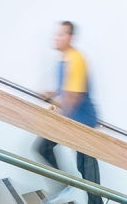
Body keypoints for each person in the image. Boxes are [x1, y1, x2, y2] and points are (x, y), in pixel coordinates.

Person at [35, 21, 102, 204]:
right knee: (82, 165)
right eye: (56, 34)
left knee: (86, 166)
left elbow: (74, 96)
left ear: (70, 38)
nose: (56, 38)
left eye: (61, 35)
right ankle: (68, 187)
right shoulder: (64, 58)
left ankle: (72, 189)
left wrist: (56, 116)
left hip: (82, 121)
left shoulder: (76, 59)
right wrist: (52, 93)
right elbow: (67, 88)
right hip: (74, 119)